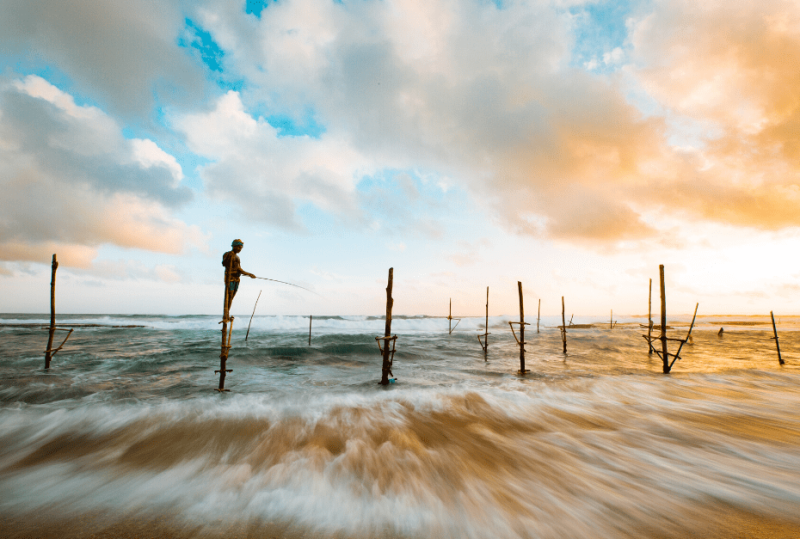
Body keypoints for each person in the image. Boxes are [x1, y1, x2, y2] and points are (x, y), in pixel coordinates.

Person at [222, 239, 256, 307]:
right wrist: (229, 256)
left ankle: (227, 313)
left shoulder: (237, 257)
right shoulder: (227, 254)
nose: (240, 249)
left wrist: (249, 274)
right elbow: (224, 263)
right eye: (238, 247)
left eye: (241, 248)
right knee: (228, 296)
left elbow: (239, 269)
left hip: (236, 279)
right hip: (230, 278)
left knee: (231, 297)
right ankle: (226, 315)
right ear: (234, 246)